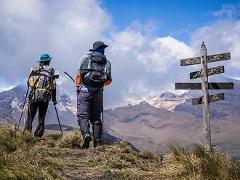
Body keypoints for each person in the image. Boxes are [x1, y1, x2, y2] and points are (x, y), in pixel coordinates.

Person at [76, 41, 112, 148]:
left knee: (83, 115)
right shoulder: (107, 62)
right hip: (98, 92)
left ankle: (86, 134)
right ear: (102, 49)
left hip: (84, 91)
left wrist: (78, 87)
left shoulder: (85, 58)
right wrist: (99, 85)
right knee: (96, 118)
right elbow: (109, 80)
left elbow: (79, 75)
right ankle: (98, 143)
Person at [24, 54, 57, 137]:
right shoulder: (51, 71)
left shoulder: (35, 70)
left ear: (41, 62)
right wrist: (54, 99)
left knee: (30, 117)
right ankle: (38, 136)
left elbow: (29, 83)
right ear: (48, 61)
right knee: (41, 118)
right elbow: (53, 86)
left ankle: (26, 135)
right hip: (45, 98)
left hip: (34, 96)